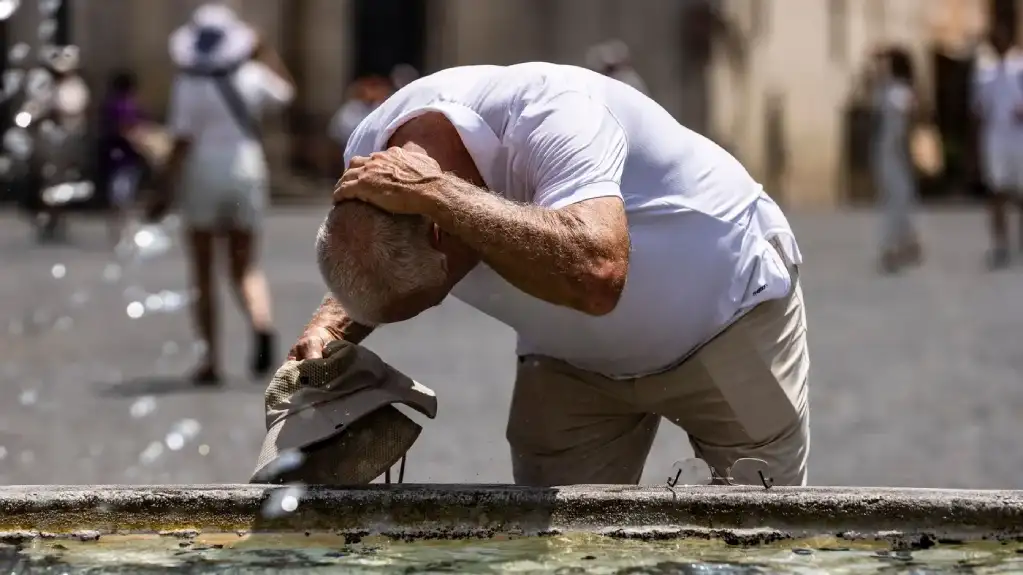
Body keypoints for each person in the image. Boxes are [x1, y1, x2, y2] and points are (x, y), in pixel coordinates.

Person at [294, 62, 810, 486]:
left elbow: (599, 273)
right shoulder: (372, 159)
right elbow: (371, 240)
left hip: (726, 317)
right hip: (569, 360)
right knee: (555, 560)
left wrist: (442, 193)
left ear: (440, 232)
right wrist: (332, 326)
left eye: (437, 296)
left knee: (762, 538)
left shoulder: (554, 113)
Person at [149, 2, 295, 384]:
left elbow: (181, 141)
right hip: (245, 167)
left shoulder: (188, 84)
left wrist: (162, 186)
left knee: (202, 272)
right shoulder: (252, 75)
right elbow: (286, 94)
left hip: (202, 172)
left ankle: (211, 360)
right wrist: (263, 51)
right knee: (245, 266)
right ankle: (261, 322)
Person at [972, 23, 1023, 269]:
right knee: (997, 192)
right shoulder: (985, 72)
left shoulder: (1020, 68)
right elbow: (978, 109)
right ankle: (1000, 245)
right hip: (995, 139)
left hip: (1019, 139)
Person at [871, 47, 923, 273]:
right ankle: (907, 243)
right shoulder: (885, 89)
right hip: (886, 150)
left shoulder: (899, 92)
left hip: (896, 151)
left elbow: (909, 120)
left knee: (898, 198)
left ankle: (895, 246)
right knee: (897, 197)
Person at [99, 70, 147, 245]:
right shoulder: (127, 105)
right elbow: (130, 128)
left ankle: (119, 231)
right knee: (123, 194)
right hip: (126, 155)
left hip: (117, 155)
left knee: (119, 195)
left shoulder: (112, 105)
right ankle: (123, 231)